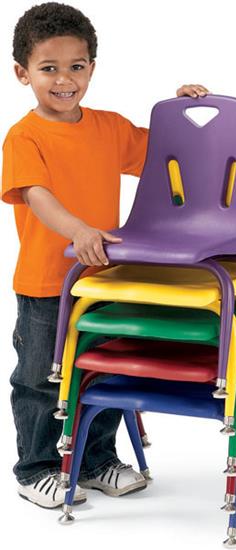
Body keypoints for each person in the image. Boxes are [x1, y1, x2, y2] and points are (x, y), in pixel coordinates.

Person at [1, 2, 210, 509]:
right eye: (48, 68)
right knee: (40, 381)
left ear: (91, 67)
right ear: (22, 73)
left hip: (106, 280)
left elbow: (166, 157)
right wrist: (78, 229)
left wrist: (179, 112)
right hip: (48, 284)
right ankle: (38, 468)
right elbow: (37, 196)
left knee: (107, 371)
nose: (64, 79)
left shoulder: (108, 127)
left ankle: (95, 462)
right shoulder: (24, 136)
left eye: (76, 66)